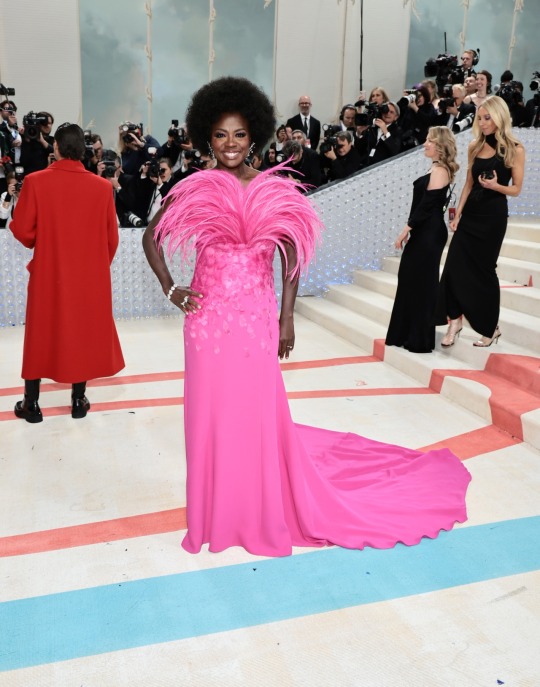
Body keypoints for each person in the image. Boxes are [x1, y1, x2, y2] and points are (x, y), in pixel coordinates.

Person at [142, 76, 470, 558]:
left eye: (239, 134)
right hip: (206, 321)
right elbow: (151, 236)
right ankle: (215, 512)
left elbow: (291, 253)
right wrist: (171, 288)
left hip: (255, 319)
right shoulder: (193, 187)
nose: (230, 144)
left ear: (254, 136)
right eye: (220, 135)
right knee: (210, 415)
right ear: (206, 138)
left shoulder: (270, 188)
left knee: (254, 412)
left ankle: (254, 508)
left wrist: (286, 317)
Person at [10, 124, 125, 422]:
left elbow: (24, 233)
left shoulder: (36, 182)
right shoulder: (102, 188)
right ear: (83, 151)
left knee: (40, 333)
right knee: (81, 331)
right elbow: (111, 240)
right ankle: (78, 400)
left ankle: (31, 403)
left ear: (56, 147)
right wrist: (93, 267)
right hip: (88, 276)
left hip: (48, 273)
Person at [435, 96, 525, 347]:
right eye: (480, 118)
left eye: (488, 118)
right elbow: (468, 184)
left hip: (493, 218)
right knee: (452, 268)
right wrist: (457, 215)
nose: (483, 123)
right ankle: (454, 322)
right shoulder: (474, 146)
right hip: (470, 216)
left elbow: (516, 189)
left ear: (499, 117)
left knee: (484, 272)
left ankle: (490, 327)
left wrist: (496, 186)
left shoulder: (515, 149)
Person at [386, 126, 458, 353]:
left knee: (422, 283)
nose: (425, 144)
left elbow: (427, 205)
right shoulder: (435, 168)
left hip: (429, 232)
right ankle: (407, 333)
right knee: (411, 279)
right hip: (423, 230)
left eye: (430, 141)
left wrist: (405, 230)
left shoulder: (441, 170)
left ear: (440, 146)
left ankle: (419, 339)